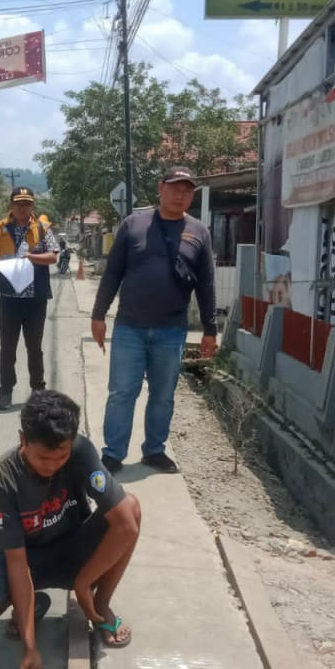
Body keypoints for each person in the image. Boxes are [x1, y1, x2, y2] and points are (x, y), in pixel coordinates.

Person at [0, 389, 141, 669]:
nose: (52, 465)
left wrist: (83, 584)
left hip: (74, 550)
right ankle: (29, 602)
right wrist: (30, 646)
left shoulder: (80, 451)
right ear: (23, 439)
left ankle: (100, 605)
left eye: (61, 456)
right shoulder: (4, 478)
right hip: (26, 559)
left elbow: (126, 526)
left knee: (129, 508)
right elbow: (16, 561)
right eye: (43, 457)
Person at [91, 167, 218, 474]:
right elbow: (113, 273)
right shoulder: (133, 224)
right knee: (122, 393)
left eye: (187, 190)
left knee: (163, 395)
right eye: (175, 187)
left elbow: (207, 284)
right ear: (161, 187)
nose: (180, 194)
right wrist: (98, 314)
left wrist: (210, 330)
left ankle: (154, 450)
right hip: (129, 328)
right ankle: (113, 453)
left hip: (171, 331)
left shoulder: (199, 232)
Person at [0, 186, 59, 410]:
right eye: (19, 203)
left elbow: (53, 256)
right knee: (7, 347)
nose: (22, 207)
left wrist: (33, 257)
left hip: (35, 298)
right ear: (11, 206)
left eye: (27, 203)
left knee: (34, 347)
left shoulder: (43, 228)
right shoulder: (1, 227)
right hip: (9, 297)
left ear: (32, 206)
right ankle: (5, 391)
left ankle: (38, 391)